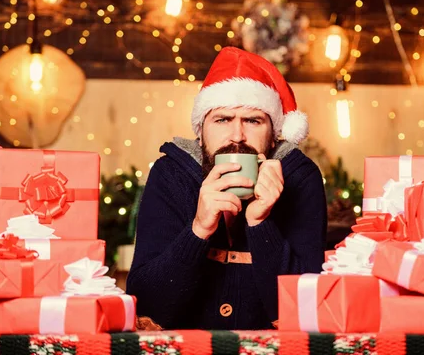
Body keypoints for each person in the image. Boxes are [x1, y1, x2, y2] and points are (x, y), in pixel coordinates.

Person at [126, 47, 327, 330]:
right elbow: (146, 307)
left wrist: (260, 222)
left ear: (273, 137)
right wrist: (199, 230)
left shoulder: (300, 177)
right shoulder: (170, 175)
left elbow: (308, 312)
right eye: (222, 120)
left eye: (253, 121)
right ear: (201, 131)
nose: (236, 136)